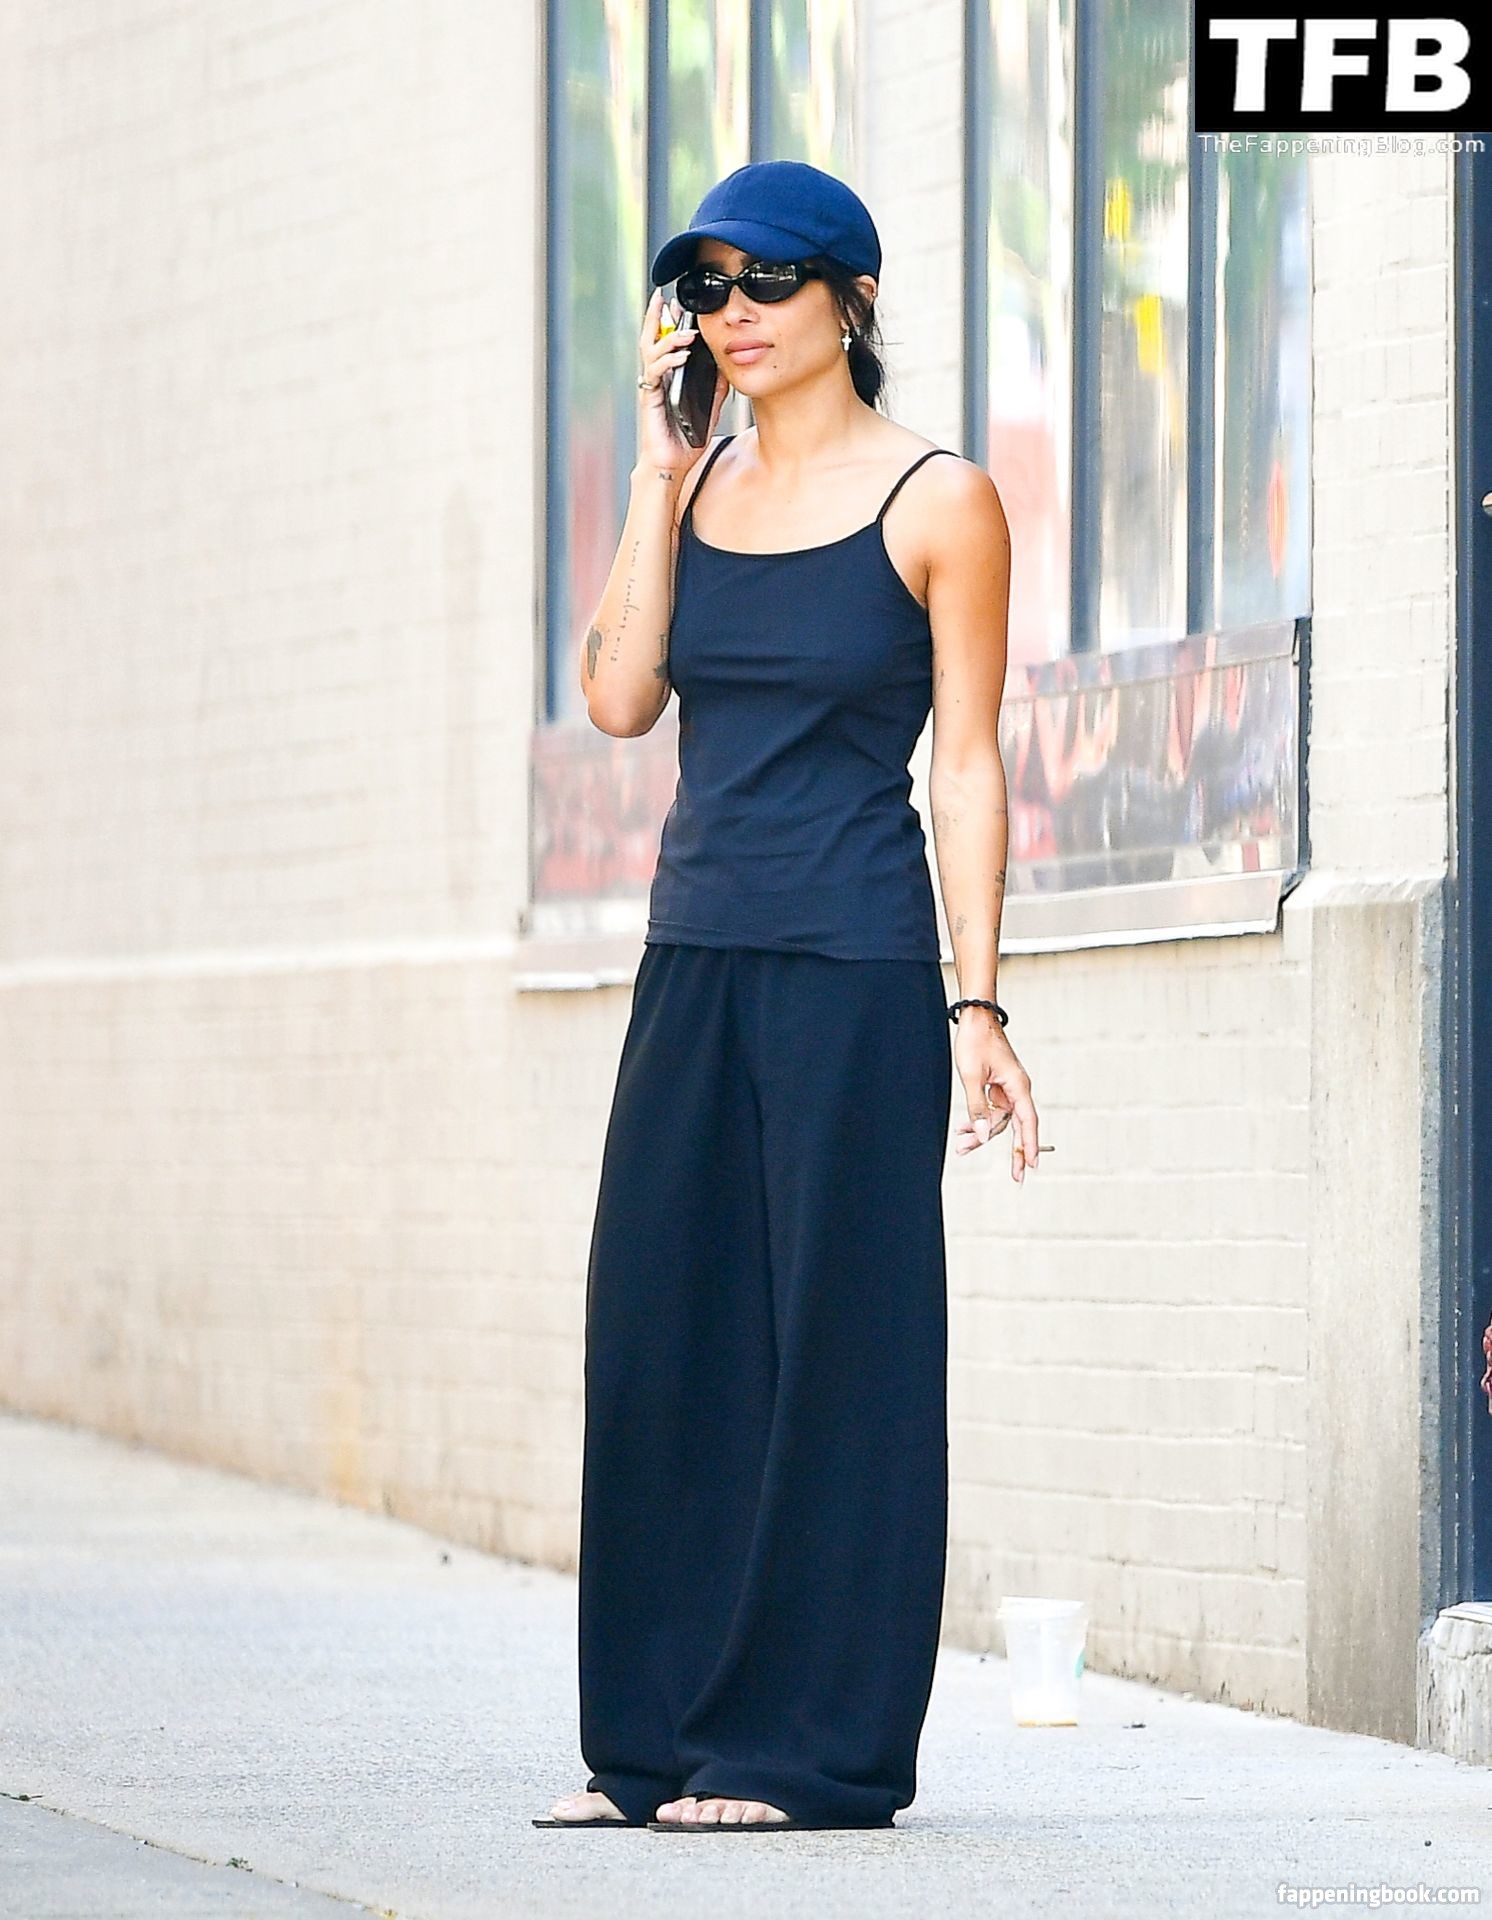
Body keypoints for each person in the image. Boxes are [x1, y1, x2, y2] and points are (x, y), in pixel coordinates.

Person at [537, 160, 1039, 1835]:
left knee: (839, 1353)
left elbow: (967, 766)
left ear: (853, 301)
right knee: (660, 1337)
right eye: (708, 287)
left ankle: (806, 1751)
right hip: (695, 957)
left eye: (768, 281)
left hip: (857, 967)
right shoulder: (692, 491)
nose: (733, 313)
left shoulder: (940, 501)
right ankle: (652, 1743)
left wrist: (979, 1008)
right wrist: (652, 473)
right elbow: (619, 700)